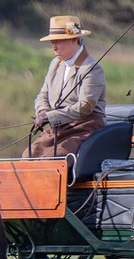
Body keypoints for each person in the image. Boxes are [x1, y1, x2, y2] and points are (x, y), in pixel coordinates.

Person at [24, 15, 107, 158]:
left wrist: (50, 116)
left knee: (55, 158)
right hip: (59, 128)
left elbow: (85, 107)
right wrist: (42, 111)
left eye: (58, 42)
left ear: (74, 39)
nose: (54, 47)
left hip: (84, 128)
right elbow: (43, 94)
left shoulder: (92, 68)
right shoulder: (55, 64)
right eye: (52, 43)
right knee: (28, 155)